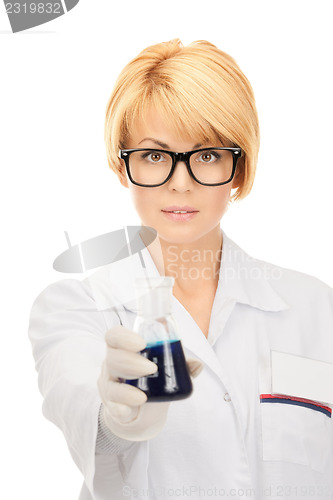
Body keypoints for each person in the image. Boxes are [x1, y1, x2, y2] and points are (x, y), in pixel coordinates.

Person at [28, 38, 333, 500]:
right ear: (121, 166)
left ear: (239, 167)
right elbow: (83, 413)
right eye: (154, 156)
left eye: (207, 155)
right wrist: (119, 414)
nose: (181, 182)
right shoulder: (78, 309)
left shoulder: (315, 308)